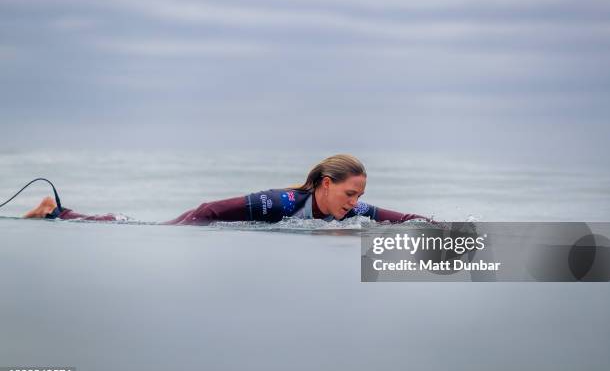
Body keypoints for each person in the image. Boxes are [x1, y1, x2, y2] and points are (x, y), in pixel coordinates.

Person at [23, 154, 428, 224]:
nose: (356, 203)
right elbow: (211, 209)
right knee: (126, 225)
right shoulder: (283, 202)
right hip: (200, 221)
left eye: (359, 196)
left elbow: (405, 219)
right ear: (326, 184)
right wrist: (179, 236)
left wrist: (446, 231)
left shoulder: (348, 212)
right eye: (350, 194)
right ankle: (56, 211)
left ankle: (54, 210)